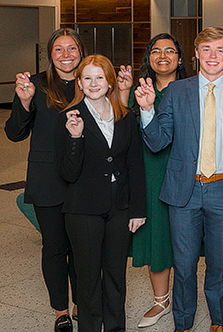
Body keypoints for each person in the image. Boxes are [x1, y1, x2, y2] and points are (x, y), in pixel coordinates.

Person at [135, 27, 223, 332]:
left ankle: (219, 322)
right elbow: (158, 141)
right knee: (186, 266)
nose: (213, 56)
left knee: (217, 267)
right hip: (183, 193)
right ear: (195, 53)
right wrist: (148, 110)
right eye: (206, 49)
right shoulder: (178, 92)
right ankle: (183, 324)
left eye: (219, 50)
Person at [6, 28, 86, 332]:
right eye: (59, 50)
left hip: (84, 178)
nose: (66, 55)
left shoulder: (91, 79)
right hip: (47, 178)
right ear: (50, 54)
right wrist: (23, 101)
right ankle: (60, 310)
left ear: (81, 51)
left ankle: (82, 301)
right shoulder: (35, 85)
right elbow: (15, 133)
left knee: (83, 246)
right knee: (54, 247)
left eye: (72, 49)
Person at [58, 55, 146, 332]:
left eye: (99, 77)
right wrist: (75, 138)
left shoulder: (125, 115)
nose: (93, 83)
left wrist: (138, 209)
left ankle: (115, 328)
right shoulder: (70, 118)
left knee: (116, 276)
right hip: (83, 209)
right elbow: (68, 174)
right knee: (87, 280)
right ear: (79, 83)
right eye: (87, 78)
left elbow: (134, 164)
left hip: (119, 208)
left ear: (110, 82)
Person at [129, 34, 188, 328]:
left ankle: (185, 299)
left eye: (169, 50)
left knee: (186, 241)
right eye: (156, 51)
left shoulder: (192, 89)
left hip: (185, 174)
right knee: (156, 238)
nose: (162, 56)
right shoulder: (136, 91)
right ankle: (160, 301)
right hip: (149, 173)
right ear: (148, 58)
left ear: (180, 57)